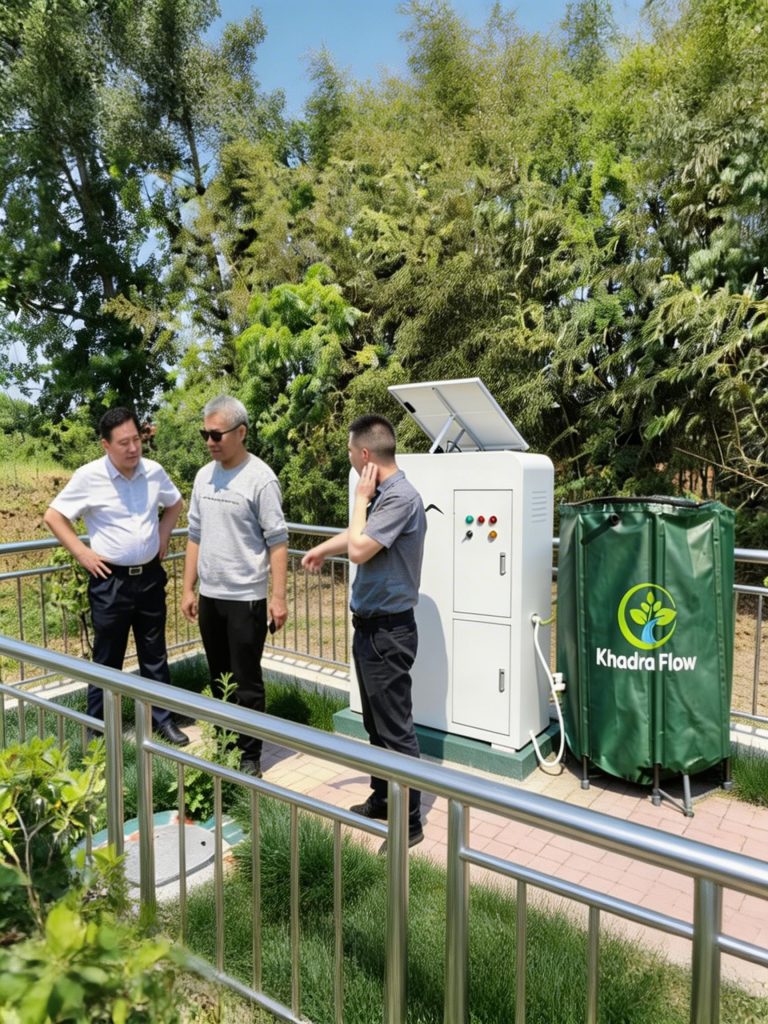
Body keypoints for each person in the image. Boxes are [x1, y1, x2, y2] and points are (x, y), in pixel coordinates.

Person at [301, 414, 427, 849]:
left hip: (389, 632)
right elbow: (358, 536)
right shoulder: (384, 496)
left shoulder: (400, 497)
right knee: (376, 726)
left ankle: (409, 822)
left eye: (351, 452)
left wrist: (359, 497)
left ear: (366, 454)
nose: (350, 459)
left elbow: (358, 549)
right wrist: (321, 548)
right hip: (371, 629)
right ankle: (384, 798)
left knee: (396, 732)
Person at [44, 407, 188, 745]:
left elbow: (175, 504)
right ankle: (97, 728)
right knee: (107, 658)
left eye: (136, 439)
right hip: (111, 581)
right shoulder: (89, 476)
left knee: (155, 653)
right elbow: (54, 516)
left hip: (149, 577)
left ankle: (161, 720)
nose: (133, 448)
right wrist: (82, 554)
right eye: (124, 443)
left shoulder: (153, 472)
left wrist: (163, 534)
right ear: (106, 445)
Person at [181, 395, 288, 777]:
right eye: (205, 435)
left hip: (246, 599)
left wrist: (278, 598)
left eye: (216, 434)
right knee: (218, 676)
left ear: (240, 432)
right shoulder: (203, 476)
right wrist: (188, 588)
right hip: (211, 596)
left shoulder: (261, 479)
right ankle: (225, 744)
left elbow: (277, 540)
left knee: (246, 681)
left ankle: (249, 755)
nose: (210, 442)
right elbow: (194, 533)